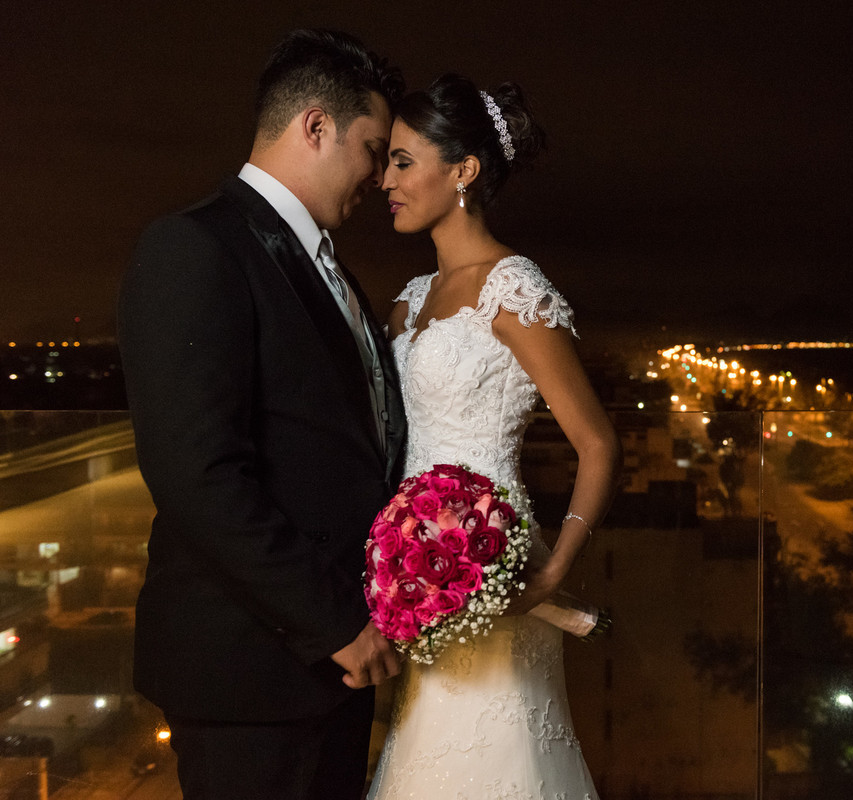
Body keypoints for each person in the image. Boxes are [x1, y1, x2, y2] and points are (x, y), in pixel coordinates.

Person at [118, 29, 407, 800]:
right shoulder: (193, 246)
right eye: (374, 150)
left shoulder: (333, 272)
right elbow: (196, 474)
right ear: (316, 126)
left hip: (332, 667)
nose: (381, 178)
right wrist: (336, 623)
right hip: (251, 678)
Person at [367, 74, 621, 796]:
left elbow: (599, 443)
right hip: (419, 579)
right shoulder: (409, 300)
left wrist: (548, 574)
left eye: (404, 162)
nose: (385, 179)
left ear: (464, 171)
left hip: (499, 569)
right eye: (386, 160)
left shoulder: (514, 287)